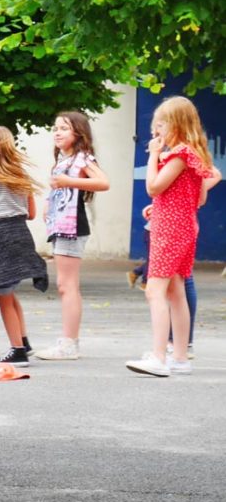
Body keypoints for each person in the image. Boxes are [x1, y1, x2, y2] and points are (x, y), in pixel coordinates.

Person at [126, 96, 217, 377]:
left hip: (169, 229)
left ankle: (159, 357)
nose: (157, 131)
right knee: (176, 292)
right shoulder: (195, 154)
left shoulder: (178, 155)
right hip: (185, 225)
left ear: (176, 124)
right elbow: (198, 197)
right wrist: (166, 203)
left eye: (161, 125)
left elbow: (153, 187)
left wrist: (152, 155)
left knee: (155, 291)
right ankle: (179, 357)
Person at [35, 112, 110, 361]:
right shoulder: (63, 159)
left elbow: (103, 182)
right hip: (61, 223)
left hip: (72, 224)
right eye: (55, 128)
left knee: (68, 286)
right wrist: (48, 202)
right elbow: (60, 189)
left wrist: (69, 181)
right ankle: (68, 341)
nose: (57, 133)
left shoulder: (82, 158)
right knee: (65, 285)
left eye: (64, 129)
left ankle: (69, 343)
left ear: (78, 133)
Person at [0, 127, 48, 366]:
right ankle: (23, 341)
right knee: (10, 292)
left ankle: (17, 351)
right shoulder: (20, 174)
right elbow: (31, 213)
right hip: (21, 234)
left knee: (3, 294)